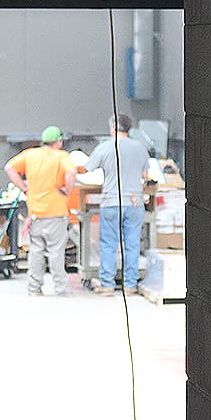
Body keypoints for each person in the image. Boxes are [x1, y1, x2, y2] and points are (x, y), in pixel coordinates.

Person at [77, 114, 149, 295]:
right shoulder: (140, 148)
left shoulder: (105, 147)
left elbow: (87, 169)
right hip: (134, 202)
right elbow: (145, 176)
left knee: (109, 244)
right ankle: (130, 285)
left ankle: (108, 283)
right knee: (132, 244)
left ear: (113, 128)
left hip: (112, 202)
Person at [5, 126, 77, 296]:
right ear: (58, 141)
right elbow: (72, 172)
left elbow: (9, 168)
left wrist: (24, 188)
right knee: (56, 252)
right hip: (56, 212)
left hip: (35, 212)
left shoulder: (30, 154)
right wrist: (67, 189)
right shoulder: (62, 156)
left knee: (36, 252)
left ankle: (34, 288)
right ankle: (61, 289)